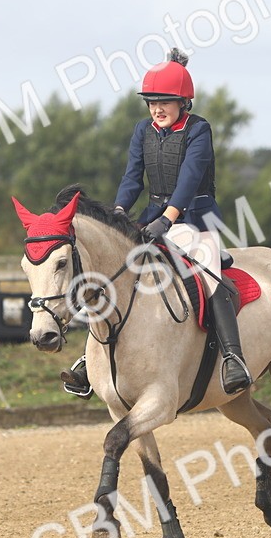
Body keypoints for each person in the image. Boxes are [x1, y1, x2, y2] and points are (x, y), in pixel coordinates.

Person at [61, 49, 252, 399]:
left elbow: (189, 180)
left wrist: (168, 219)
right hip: (152, 216)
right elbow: (132, 177)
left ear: (183, 102)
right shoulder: (142, 131)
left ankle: (232, 358)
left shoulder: (199, 130)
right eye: (151, 102)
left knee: (210, 276)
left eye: (165, 102)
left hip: (195, 218)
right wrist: (120, 211)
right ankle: (90, 361)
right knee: (114, 274)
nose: (157, 109)